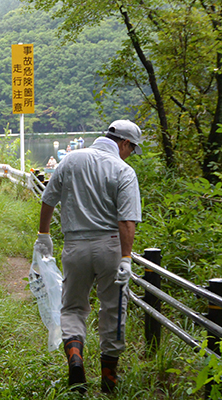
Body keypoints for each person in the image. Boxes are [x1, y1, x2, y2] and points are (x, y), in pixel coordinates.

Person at [35, 120, 142, 393]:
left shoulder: (71, 160)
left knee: (72, 307)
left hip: (75, 246)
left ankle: (75, 357)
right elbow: (126, 221)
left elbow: (49, 198)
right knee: (113, 308)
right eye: (132, 149)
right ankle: (109, 377)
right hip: (109, 246)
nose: (130, 154)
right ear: (125, 143)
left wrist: (44, 235)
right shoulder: (123, 170)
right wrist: (126, 258)